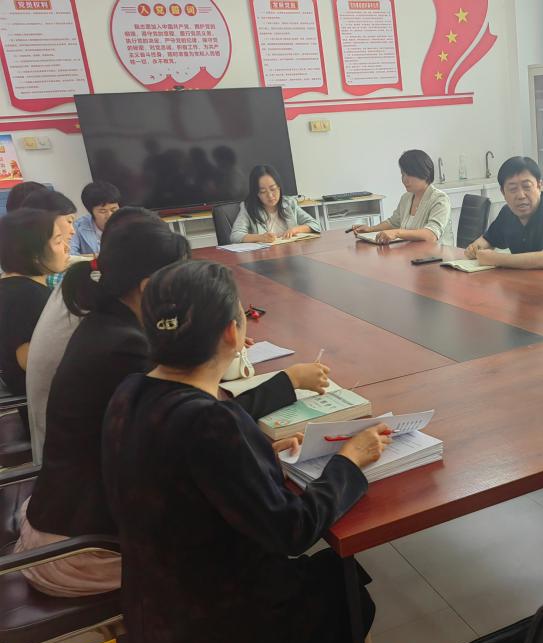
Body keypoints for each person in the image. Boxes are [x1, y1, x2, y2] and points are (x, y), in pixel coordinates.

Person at [103, 260, 397, 643]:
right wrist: (349, 462)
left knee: (331, 579)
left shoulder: (129, 393)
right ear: (232, 332)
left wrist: (255, 452)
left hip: (155, 614)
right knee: (340, 581)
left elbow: (193, 467)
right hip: (209, 638)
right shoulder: (210, 425)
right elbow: (292, 530)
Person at [16, 219, 330, 598]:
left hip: (67, 515)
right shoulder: (127, 349)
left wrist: (248, 453)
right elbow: (203, 421)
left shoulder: (107, 324)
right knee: (269, 550)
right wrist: (284, 387)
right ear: (150, 287)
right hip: (82, 549)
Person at [25, 207, 163, 462]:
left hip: (68, 443)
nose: (70, 234)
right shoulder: (109, 324)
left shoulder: (88, 285)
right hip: (81, 459)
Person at [464, 156, 543, 273]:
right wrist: (475, 248)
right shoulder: (507, 212)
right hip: (537, 280)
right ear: (503, 192)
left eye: (527, 187)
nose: (521, 195)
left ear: (539, 186)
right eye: (513, 189)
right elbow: (488, 240)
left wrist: (496, 259)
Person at [0, 209, 69, 396]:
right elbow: (30, 361)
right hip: (40, 398)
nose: (66, 248)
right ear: (34, 254)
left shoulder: (10, 285)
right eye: (58, 241)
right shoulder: (27, 296)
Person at [352, 150, 453, 246]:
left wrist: (397, 233)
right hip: (414, 253)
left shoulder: (440, 199)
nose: (404, 180)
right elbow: (393, 222)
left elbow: (431, 235)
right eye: (403, 174)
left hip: (437, 256)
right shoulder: (406, 197)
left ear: (424, 174)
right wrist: (371, 229)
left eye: (409, 175)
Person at [230, 164, 321, 244]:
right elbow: (235, 235)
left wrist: (295, 230)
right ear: (256, 193)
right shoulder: (248, 207)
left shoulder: (289, 203)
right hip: (265, 255)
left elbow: (315, 225)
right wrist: (260, 237)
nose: (270, 195)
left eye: (273, 189)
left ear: (279, 187)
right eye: (263, 191)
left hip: (292, 252)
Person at [69, 181, 121, 256]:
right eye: (103, 211)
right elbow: (70, 256)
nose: (109, 215)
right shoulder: (77, 227)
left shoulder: (129, 223)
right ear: (91, 211)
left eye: (114, 210)